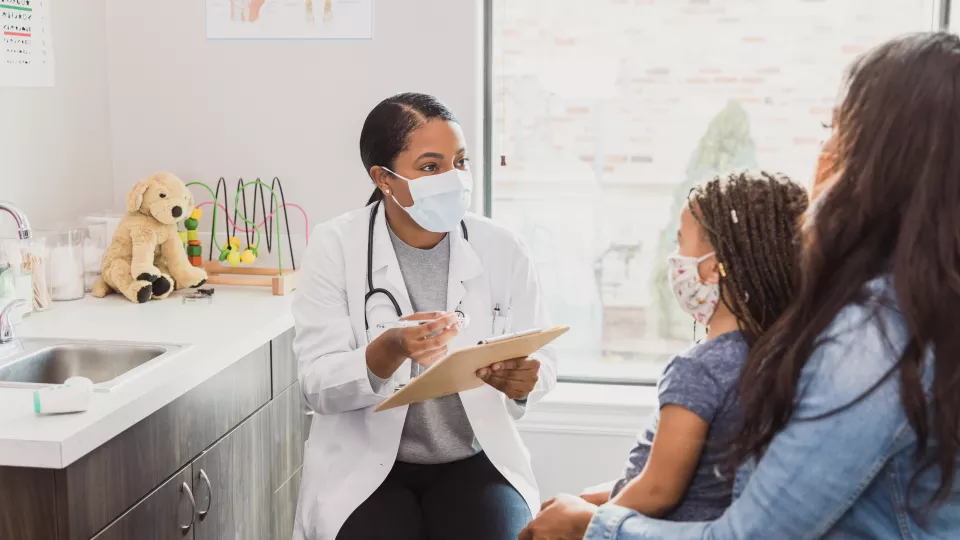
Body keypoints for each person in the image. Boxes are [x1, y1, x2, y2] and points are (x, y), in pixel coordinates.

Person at [523, 31, 960, 539]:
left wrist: (593, 526)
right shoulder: (910, 312)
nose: (821, 151)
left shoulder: (872, 343)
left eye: (834, 128)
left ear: (877, 162)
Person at [291, 92, 557, 540]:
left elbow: (544, 360)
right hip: (368, 467)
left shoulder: (501, 246)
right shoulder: (335, 245)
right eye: (431, 167)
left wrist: (526, 379)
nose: (453, 179)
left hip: (473, 459)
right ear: (385, 179)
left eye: (460, 161)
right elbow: (317, 386)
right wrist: (387, 351)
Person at [523, 172, 808, 538]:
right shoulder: (772, 353)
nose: (675, 260)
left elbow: (660, 490)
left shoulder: (698, 369)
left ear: (708, 268)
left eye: (680, 244)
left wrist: (591, 522)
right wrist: (605, 494)